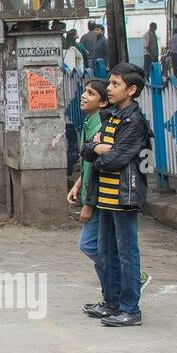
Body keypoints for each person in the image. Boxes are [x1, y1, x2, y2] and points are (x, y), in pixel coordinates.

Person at [82, 63, 149, 328]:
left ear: (131, 90)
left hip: (124, 197)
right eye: (109, 84)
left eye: (115, 84)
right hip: (105, 196)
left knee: (127, 253)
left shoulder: (134, 121)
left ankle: (130, 308)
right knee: (106, 251)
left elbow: (117, 158)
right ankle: (111, 302)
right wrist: (99, 148)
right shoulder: (111, 116)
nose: (109, 89)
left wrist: (99, 153)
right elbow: (88, 150)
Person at [67, 79, 110, 311]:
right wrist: (77, 184)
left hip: (99, 199)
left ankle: (128, 276)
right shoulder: (89, 122)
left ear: (102, 103)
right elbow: (88, 164)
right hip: (90, 193)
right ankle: (108, 296)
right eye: (85, 91)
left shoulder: (101, 127)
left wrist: (89, 205)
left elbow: (98, 168)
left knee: (89, 245)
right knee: (97, 246)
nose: (84, 96)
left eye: (91, 94)